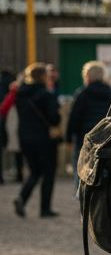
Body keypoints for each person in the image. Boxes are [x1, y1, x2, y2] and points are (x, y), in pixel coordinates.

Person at [12, 63, 61, 218]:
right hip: (44, 139)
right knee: (48, 173)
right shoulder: (46, 95)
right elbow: (54, 119)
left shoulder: (20, 95)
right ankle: (45, 209)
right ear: (43, 76)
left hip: (25, 138)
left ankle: (22, 198)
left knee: (34, 171)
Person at [66, 61, 111, 174]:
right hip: (105, 139)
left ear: (87, 76)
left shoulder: (82, 94)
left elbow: (74, 118)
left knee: (81, 172)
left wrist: (69, 139)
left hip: (84, 139)